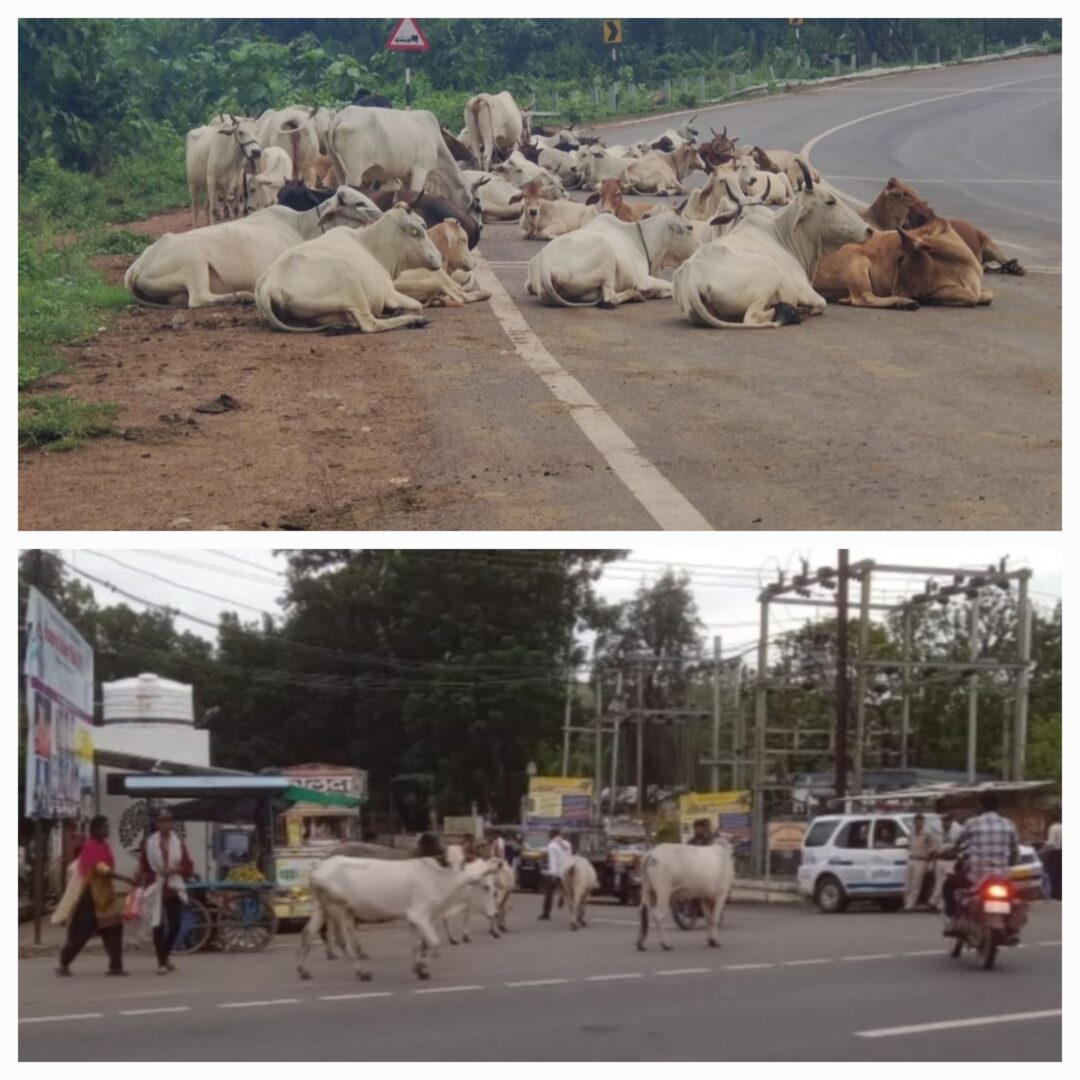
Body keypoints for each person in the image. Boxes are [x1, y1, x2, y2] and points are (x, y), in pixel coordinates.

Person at [52, 815, 134, 976]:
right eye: (104, 827)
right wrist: (124, 878)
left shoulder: (105, 846)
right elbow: (100, 868)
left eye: (107, 826)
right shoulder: (89, 847)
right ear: (95, 830)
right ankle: (63, 962)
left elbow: (107, 866)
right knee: (81, 932)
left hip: (105, 895)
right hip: (90, 896)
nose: (107, 829)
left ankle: (115, 966)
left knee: (114, 927)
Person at [943, 791, 1022, 938]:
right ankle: (1010, 928)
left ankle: (952, 919)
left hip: (977, 876)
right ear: (999, 806)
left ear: (980, 806)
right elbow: (1015, 850)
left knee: (949, 884)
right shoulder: (1008, 824)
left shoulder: (972, 823)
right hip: (1001, 876)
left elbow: (957, 843)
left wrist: (951, 851)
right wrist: (1012, 862)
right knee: (1015, 897)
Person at [138, 809, 194, 975]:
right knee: (158, 924)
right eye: (162, 821)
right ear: (157, 824)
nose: (165, 824)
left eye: (168, 821)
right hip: (156, 885)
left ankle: (165, 953)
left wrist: (174, 869)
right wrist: (155, 873)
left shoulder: (178, 843)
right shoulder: (150, 843)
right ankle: (161, 961)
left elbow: (188, 865)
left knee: (175, 924)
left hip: (173, 886)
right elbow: (144, 866)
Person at [903, 814, 940, 911]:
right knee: (908, 883)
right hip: (911, 859)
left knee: (916, 884)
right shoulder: (911, 833)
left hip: (921, 860)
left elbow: (934, 848)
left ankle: (910, 905)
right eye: (916, 821)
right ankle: (907, 902)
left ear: (923, 822)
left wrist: (929, 860)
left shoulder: (927, 834)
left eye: (920, 821)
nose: (918, 823)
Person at [539, 828, 572, 920]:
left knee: (549, 893)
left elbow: (553, 861)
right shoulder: (567, 844)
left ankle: (546, 913)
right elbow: (569, 857)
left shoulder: (552, 845)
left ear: (551, 835)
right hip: (567, 872)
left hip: (557, 873)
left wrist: (552, 874)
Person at [1042, 812, 1061, 901]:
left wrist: (1044, 847)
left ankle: (1055, 894)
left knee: (1053, 874)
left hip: (1055, 853)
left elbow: (1051, 843)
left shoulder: (1053, 828)